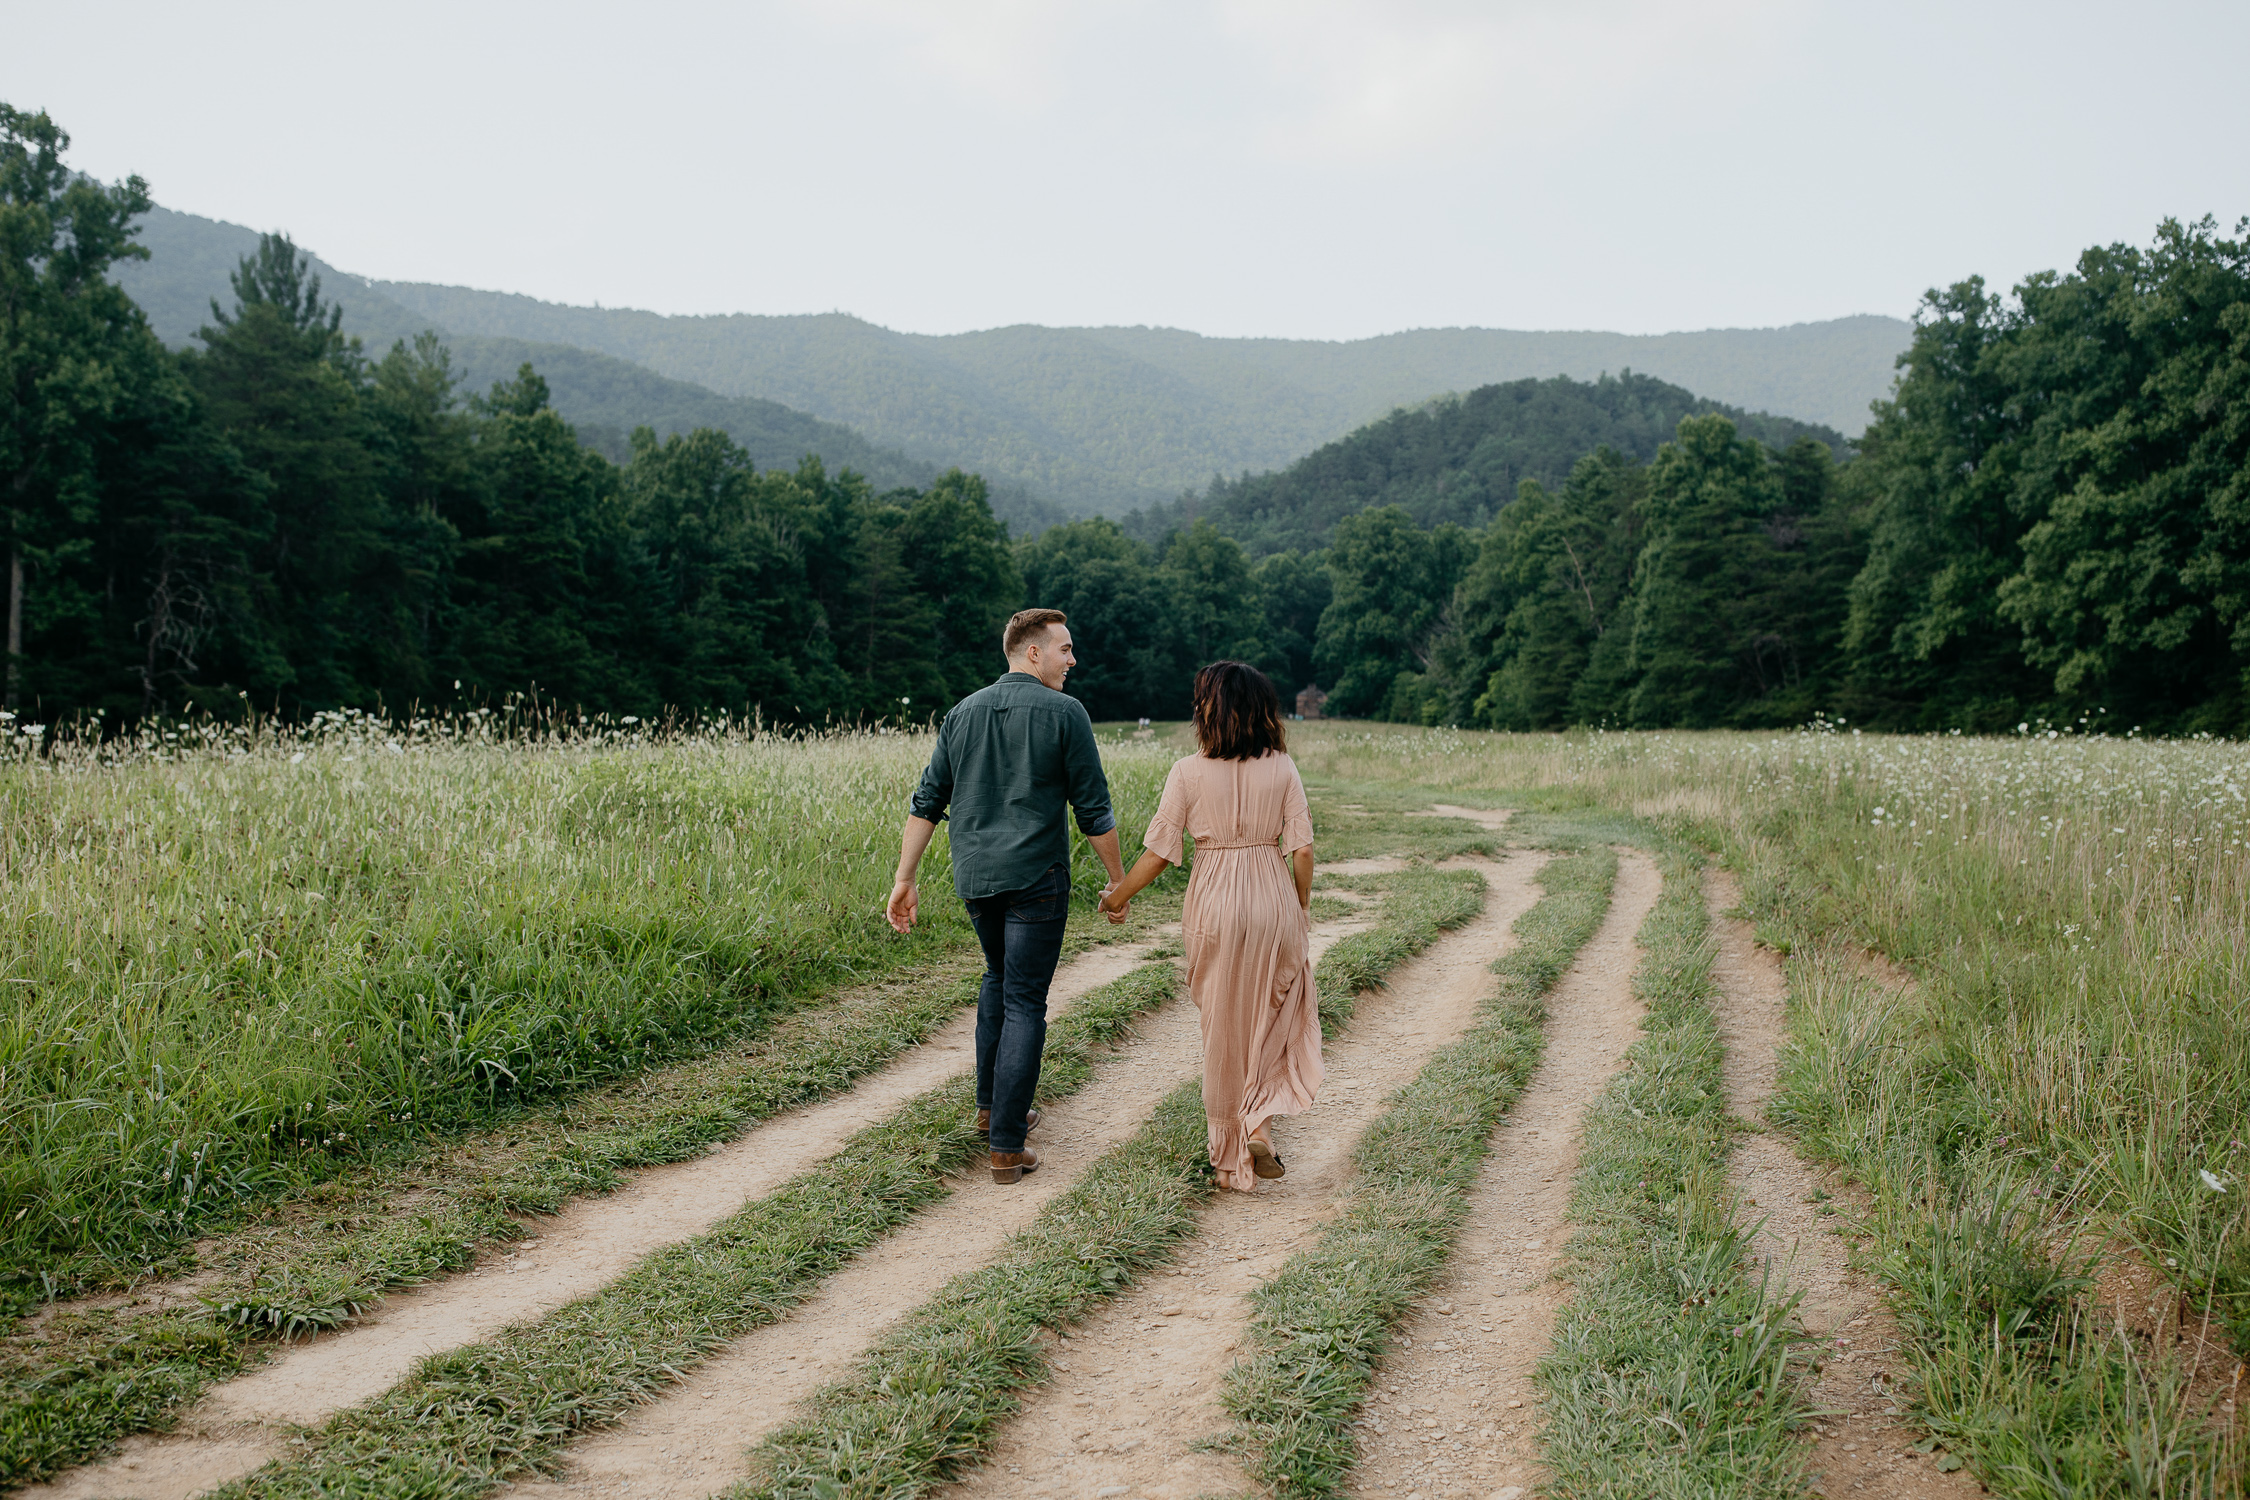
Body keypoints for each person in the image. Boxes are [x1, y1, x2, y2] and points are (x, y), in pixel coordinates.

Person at [888, 608, 1126, 1185]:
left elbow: (927, 801)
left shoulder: (962, 712)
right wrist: (1118, 882)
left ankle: (991, 1109)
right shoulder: (1065, 713)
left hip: (975, 878)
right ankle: (1006, 1146)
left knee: (998, 978)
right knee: (1024, 999)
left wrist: (904, 878)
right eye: (1065, 650)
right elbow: (1093, 809)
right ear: (1033, 652)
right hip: (1036, 878)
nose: (1074, 661)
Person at [1098, 661, 1317, 1190]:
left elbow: (1158, 852)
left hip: (1215, 902)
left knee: (1222, 1025)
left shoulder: (1187, 772)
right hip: (1272, 898)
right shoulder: (1283, 767)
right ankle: (1260, 1125)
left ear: (1208, 711)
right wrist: (1300, 906)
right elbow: (1303, 849)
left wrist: (1117, 895)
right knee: (1271, 1012)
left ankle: (1228, 1157)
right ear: (1261, 709)